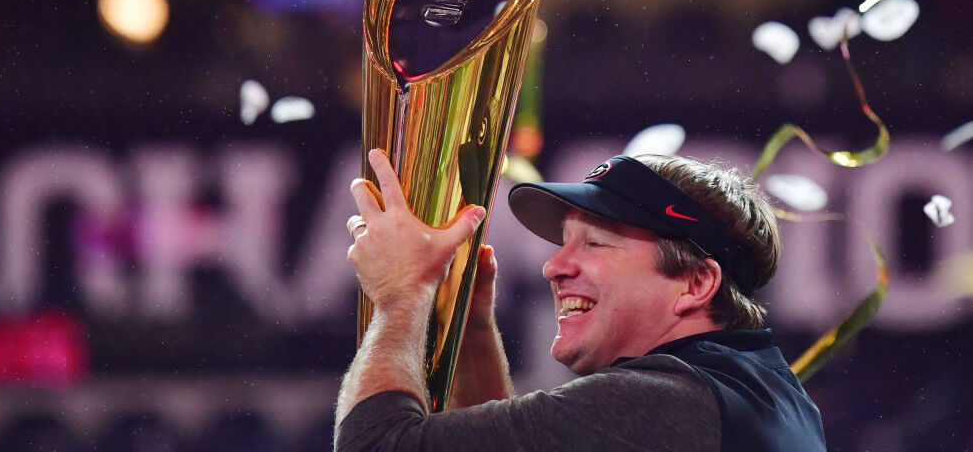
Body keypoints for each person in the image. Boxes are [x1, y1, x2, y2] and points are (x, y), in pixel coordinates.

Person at [334, 149, 827, 452]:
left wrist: (403, 293)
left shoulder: (657, 403)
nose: (554, 266)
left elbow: (374, 447)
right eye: (564, 242)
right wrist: (472, 329)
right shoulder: (774, 398)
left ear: (696, 283)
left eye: (594, 243)